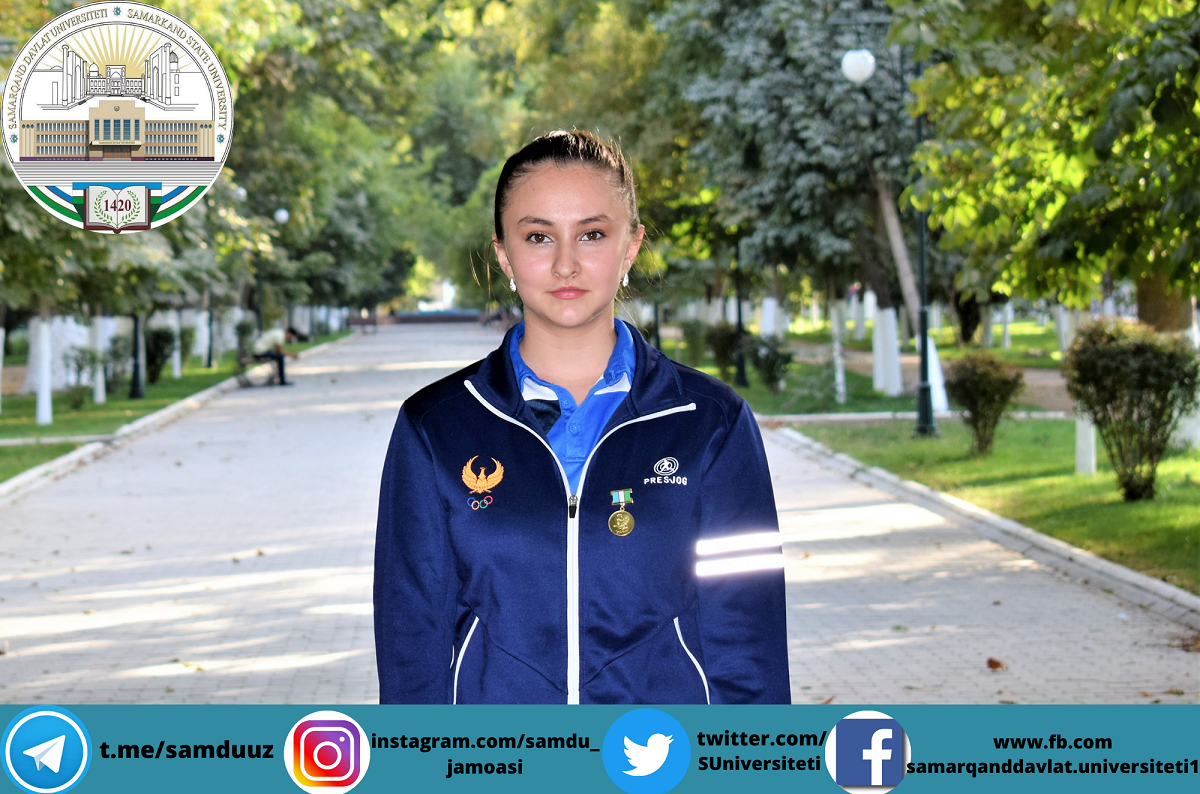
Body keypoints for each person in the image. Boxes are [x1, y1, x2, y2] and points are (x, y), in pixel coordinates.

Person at [374, 130, 789, 705]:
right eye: (538, 236)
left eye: (592, 234)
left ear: (630, 247)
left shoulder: (709, 423)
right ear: (503, 253)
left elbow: (750, 641)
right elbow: (410, 646)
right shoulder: (436, 427)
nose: (565, 264)